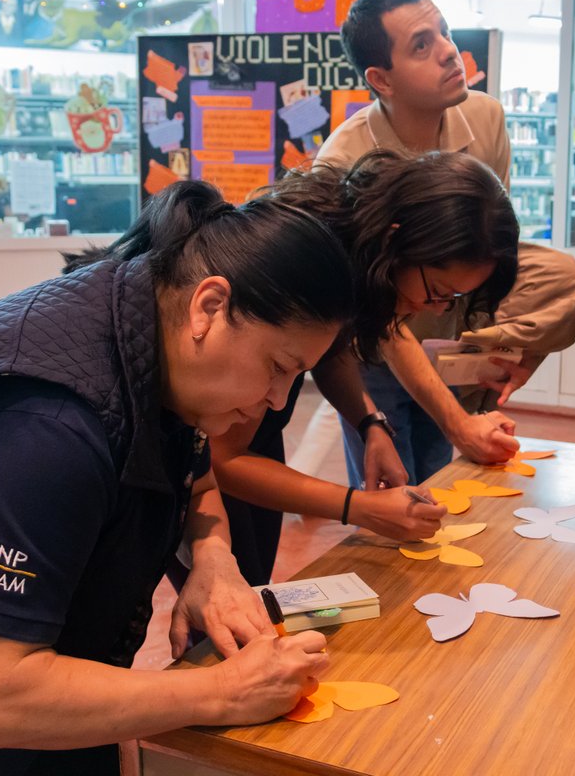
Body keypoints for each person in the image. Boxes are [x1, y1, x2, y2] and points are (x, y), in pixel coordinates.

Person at [0, 181, 352, 773]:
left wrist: (214, 562)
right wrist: (223, 692)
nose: (277, 400)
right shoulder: (46, 428)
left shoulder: (148, 330)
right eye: (279, 368)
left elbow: (198, 479)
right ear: (209, 308)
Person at [319, 0, 575, 488]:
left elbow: (494, 248)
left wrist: (513, 356)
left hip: (454, 319)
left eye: (444, 32)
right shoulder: (344, 163)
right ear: (382, 79)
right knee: (397, 491)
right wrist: (458, 421)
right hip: (380, 333)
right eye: (422, 45)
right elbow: (377, 315)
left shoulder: (485, 117)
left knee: (563, 275)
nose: (447, 51)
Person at [212, 150, 520, 583]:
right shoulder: (300, 260)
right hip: (164, 451)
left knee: (247, 577)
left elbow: (330, 350)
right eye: (436, 291)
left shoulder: (354, 251)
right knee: (225, 592)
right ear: (396, 239)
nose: (430, 308)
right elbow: (225, 460)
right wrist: (356, 507)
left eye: (452, 300)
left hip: (223, 447)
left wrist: (370, 423)